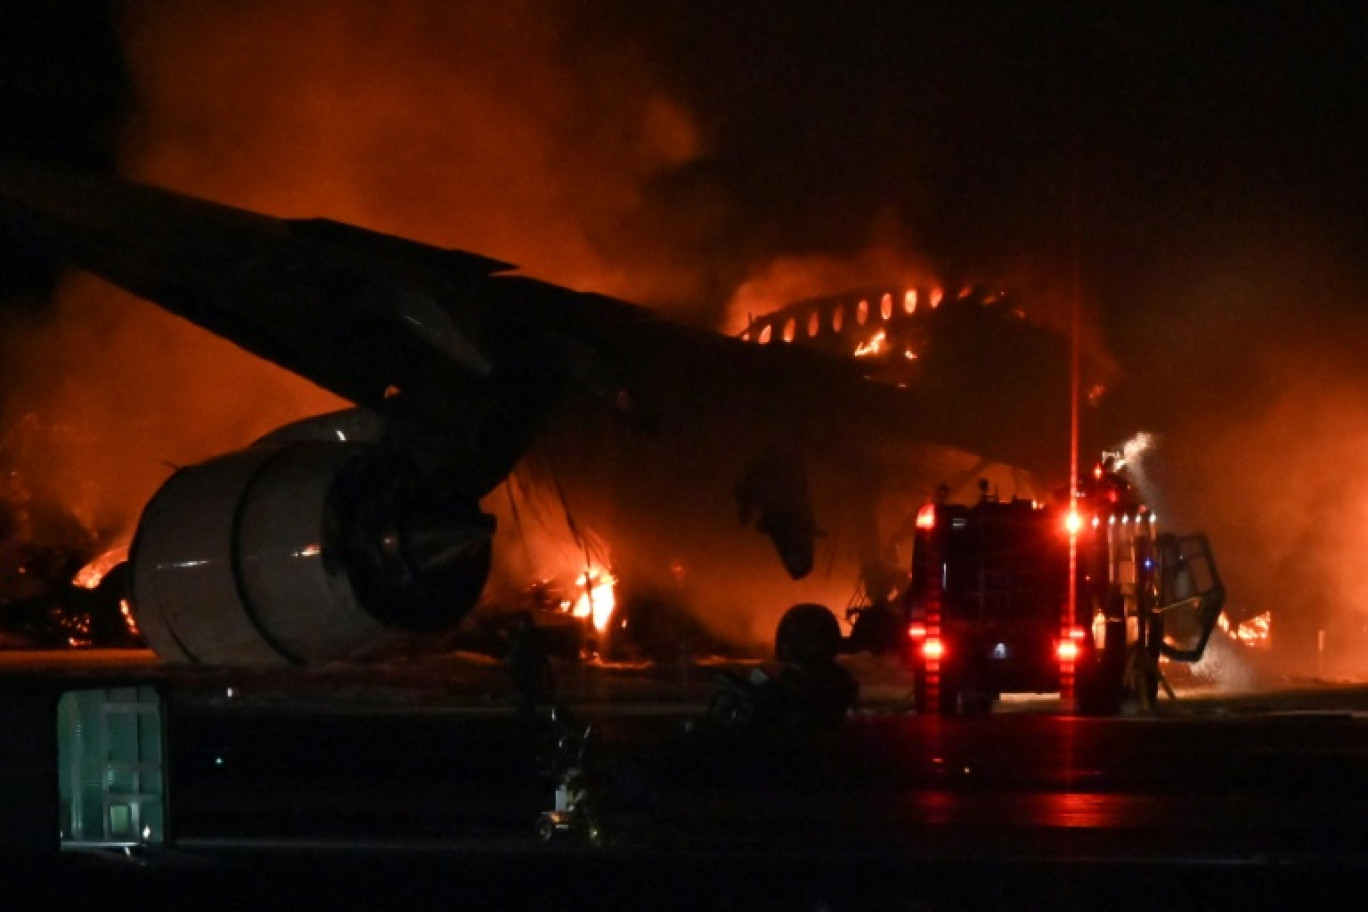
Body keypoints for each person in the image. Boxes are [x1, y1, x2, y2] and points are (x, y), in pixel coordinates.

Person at [506, 611, 553, 719]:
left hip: (528, 674)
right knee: (528, 702)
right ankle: (528, 721)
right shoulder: (530, 637)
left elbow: (539, 657)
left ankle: (527, 723)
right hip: (529, 674)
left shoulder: (525, 638)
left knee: (527, 702)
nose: (518, 625)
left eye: (520, 622)